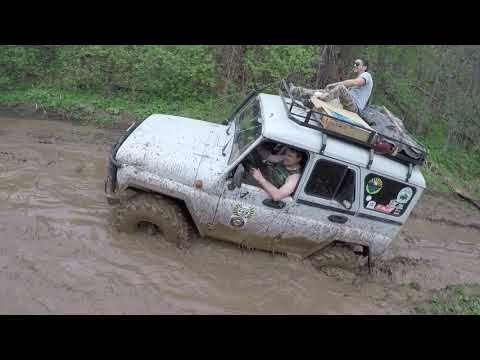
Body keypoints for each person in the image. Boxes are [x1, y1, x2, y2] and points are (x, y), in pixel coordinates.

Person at [289, 58, 373, 113]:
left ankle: (318, 99)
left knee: (340, 88)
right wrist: (330, 89)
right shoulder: (360, 77)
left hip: (355, 108)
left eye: (357, 64)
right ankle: (296, 90)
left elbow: (355, 82)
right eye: (354, 63)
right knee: (324, 91)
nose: (355, 65)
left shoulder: (366, 75)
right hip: (348, 104)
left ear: (364, 67)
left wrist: (334, 84)